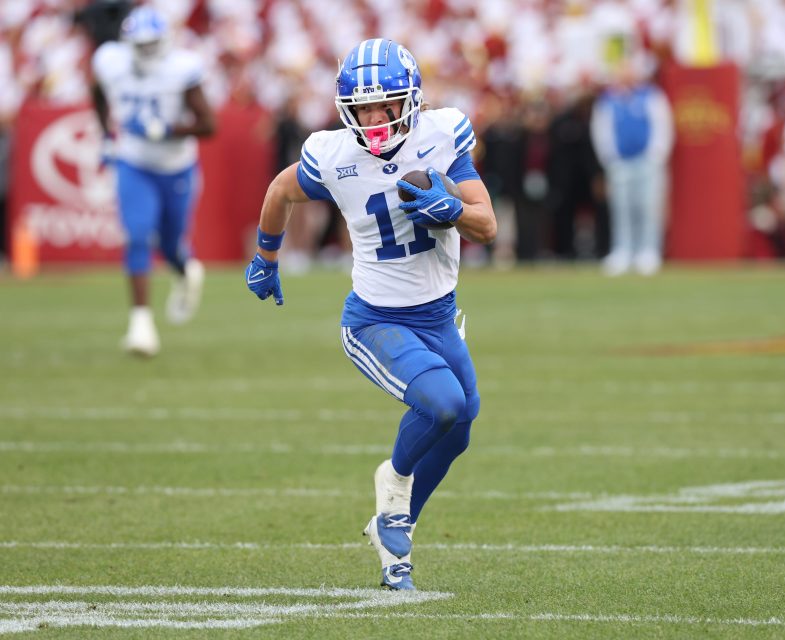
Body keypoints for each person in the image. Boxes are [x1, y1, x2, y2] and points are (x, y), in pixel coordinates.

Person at [245, 39, 496, 590]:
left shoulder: (441, 134)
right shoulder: (333, 154)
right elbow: (280, 190)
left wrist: (453, 209)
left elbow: (487, 224)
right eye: (364, 108)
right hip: (376, 320)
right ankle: (394, 489)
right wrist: (266, 257)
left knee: (458, 431)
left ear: (411, 101)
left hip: (439, 315)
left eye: (386, 106)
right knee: (445, 404)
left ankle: (394, 532)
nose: (376, 118)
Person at [91, 6, 216, 356]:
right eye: (140, 45)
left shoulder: (181, 68)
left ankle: (185, 269)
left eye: (151, 44)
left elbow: (209, 124)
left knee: (172, 245)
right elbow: (97, 93)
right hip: (133, 162)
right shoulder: (111, 62)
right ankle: (141, 325)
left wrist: (166, 130)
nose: (146, 51)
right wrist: (106, 137)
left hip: (176, 167)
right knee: (137, 235)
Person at [590, 59, 673, 276]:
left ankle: (648, 250)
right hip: (621, 162)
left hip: (646, 161)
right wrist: (610, 158)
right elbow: (601, 130)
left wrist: (656, 155)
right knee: (621, 208)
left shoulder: (651, 96)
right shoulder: (608, 100)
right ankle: (623, 250)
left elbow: (662, 126)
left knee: (648, 206)